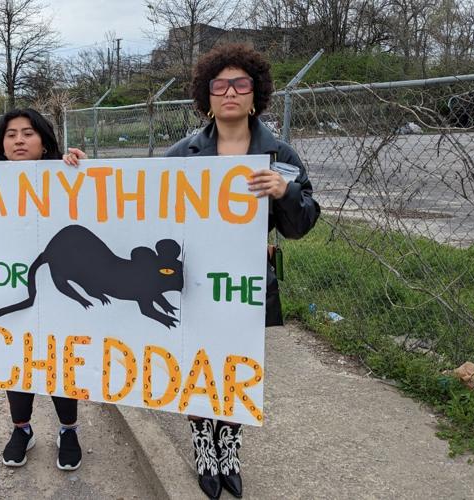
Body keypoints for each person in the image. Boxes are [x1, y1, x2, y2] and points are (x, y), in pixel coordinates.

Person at [165, 44, 320, 498]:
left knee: (234, 367)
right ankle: (203, 448)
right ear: (206, 96)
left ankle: (228, 446)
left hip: (243, 287)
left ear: (256, 95)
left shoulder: (279, 154)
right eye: (219, 85)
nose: (229, 92)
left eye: (240, 84)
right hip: (190, 285)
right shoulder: (182, 154)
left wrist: (285, 192)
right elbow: (151, 218)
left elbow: (301, 226)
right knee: (195, 367)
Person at [0, 108, 88, 470]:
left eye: (28, 133)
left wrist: (86, 172)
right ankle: (22, 429)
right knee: (18, 358)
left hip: (61, 286)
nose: (19, 140)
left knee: (61, 357)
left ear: (44, 142)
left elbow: (98, 212)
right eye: (11, 134)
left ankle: (68, 430)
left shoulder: (66, 174)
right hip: (12, 288)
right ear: (2, 143)